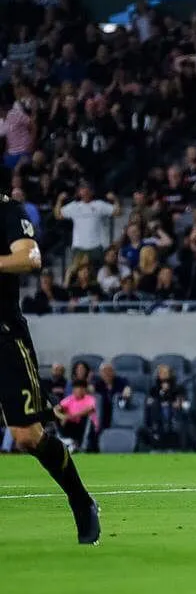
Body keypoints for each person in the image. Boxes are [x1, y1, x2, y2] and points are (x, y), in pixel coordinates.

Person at [0, 192, 100, 543]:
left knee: (27, 436)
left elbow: (29, 257)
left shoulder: (8, 211)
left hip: (4, 336)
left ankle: (80, 499)